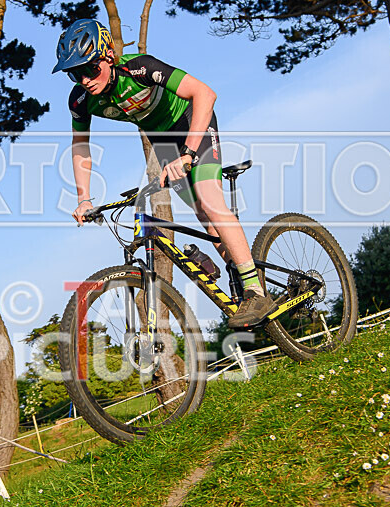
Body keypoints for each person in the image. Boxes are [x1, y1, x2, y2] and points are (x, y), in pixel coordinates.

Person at [53, 19, 274, 328]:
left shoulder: (140, 68)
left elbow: (205, 94)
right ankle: (240, 271)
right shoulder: (81, 100)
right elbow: (80, 146)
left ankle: (255, 291)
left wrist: (190, 153)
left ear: (108, 56)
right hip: (164, 143)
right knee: (204, 218)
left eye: (90, 68)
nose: (85, 79)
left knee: (210, 200)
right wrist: (83, 199)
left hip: (192, 123)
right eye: (75, 73)